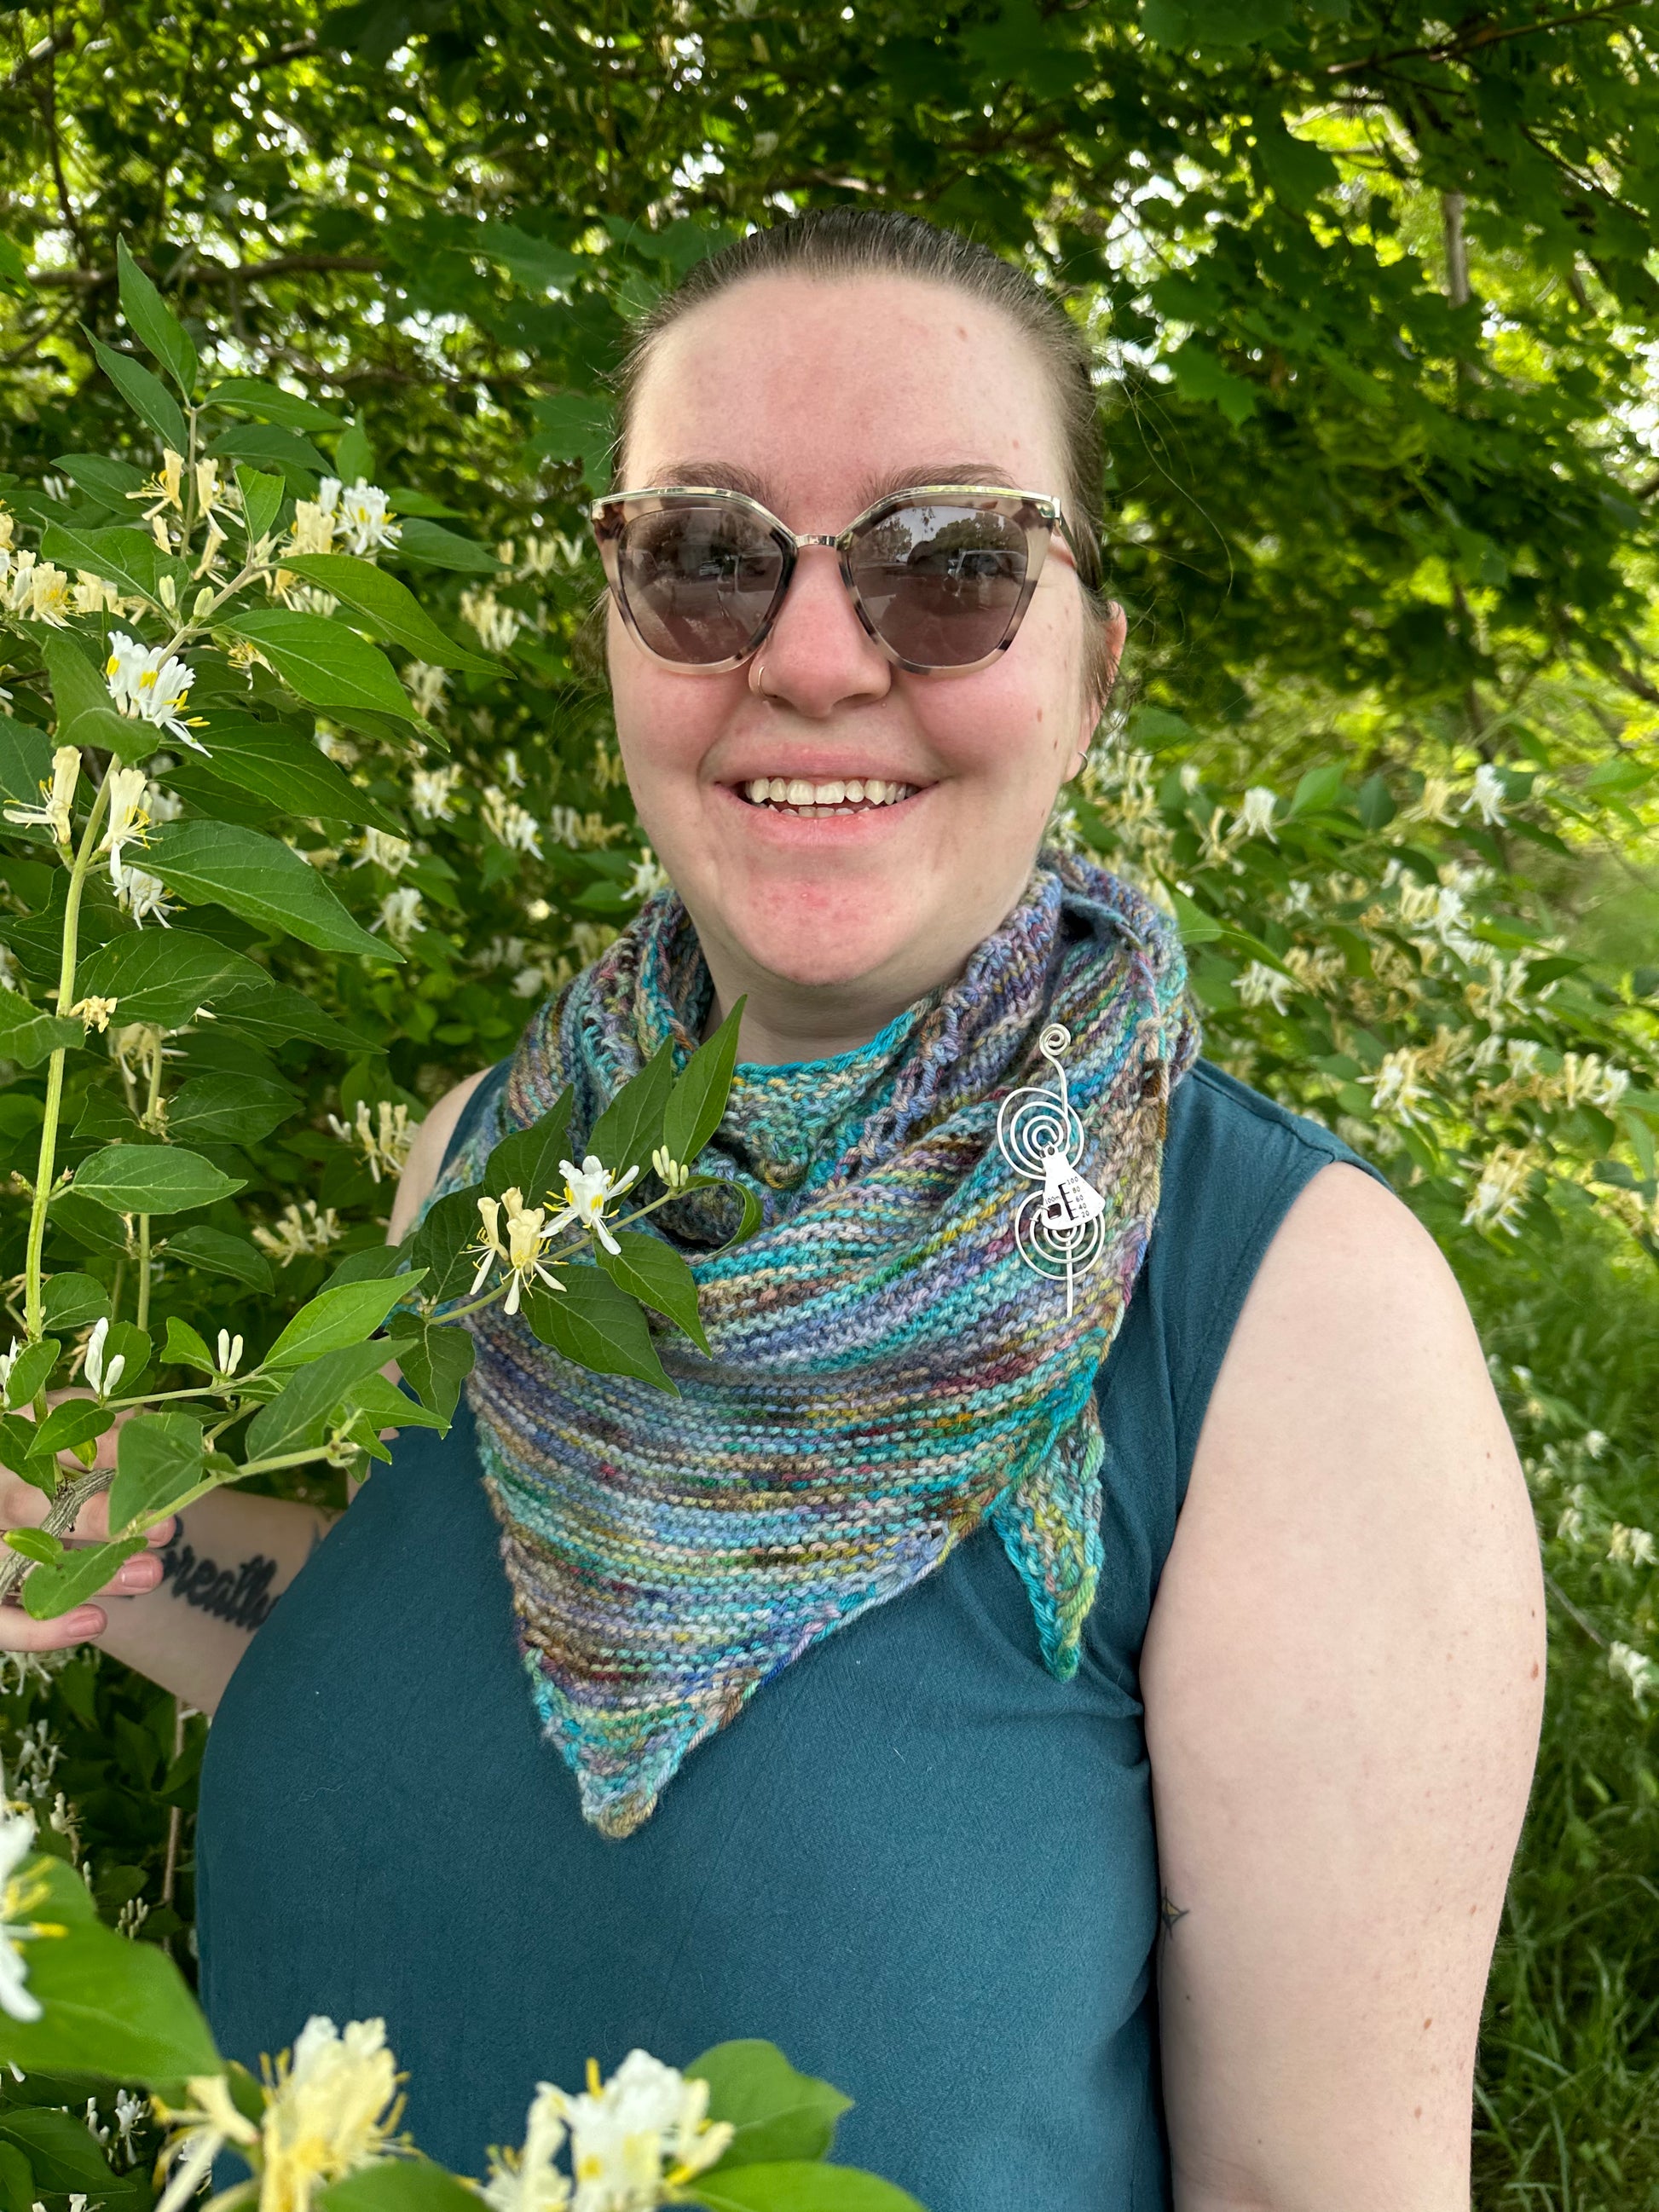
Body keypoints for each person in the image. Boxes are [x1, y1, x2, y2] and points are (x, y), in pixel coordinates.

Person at [5, 210, 1543, 2210]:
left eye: (955, 564)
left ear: (1093, 668)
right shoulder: (497, 1150)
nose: (815, 657)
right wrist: (110, 1529)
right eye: (708, 557)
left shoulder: (1284, 1307)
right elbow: (497, 1659)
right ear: (617, 641)